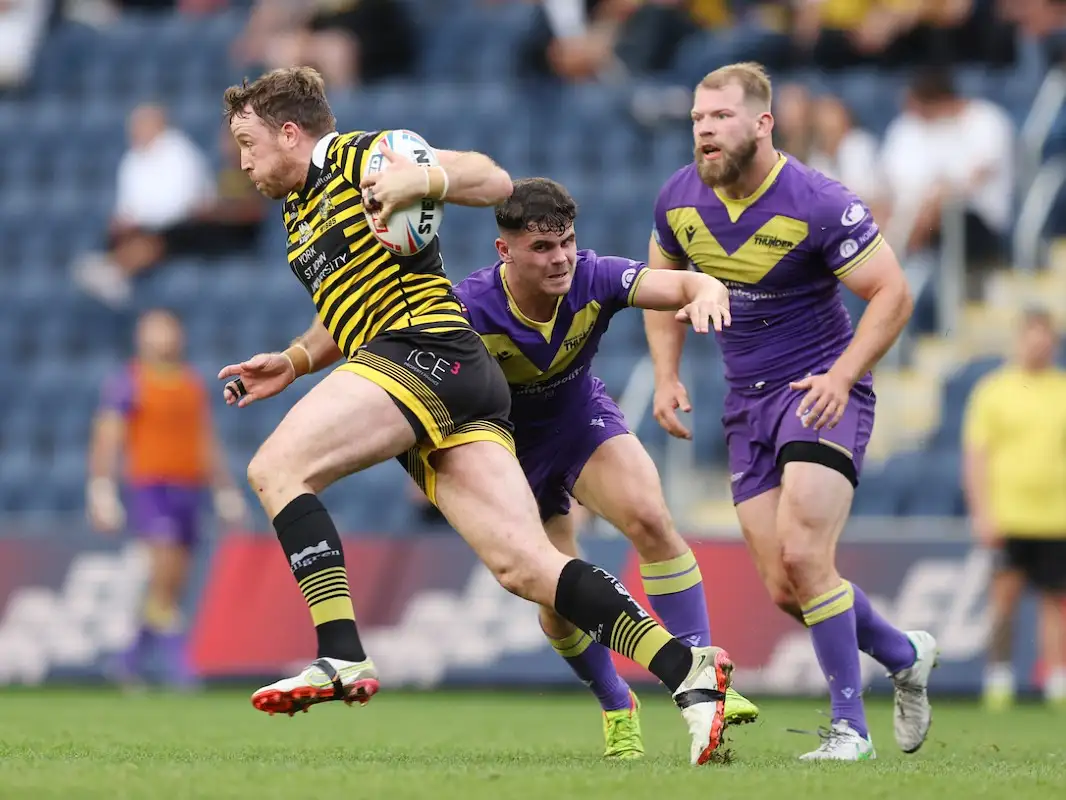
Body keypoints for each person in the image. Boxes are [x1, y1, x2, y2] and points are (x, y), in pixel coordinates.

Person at [218, 66, 734, 766]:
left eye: (248, 142)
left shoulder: (355, 155)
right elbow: (349, 305)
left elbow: (490, 179)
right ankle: (688, 671)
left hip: (421, 349)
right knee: (529, 568)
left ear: (289, 131)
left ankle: (340, 653)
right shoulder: (298, 212)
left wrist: (420, 180)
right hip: (450, 378)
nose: (243, 161)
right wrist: (296, 359)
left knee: (276, 466)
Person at [644, 62, 938, 761]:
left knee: (807, 555)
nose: (705, 130)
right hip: (745, 406)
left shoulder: (817, 200)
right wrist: (664, 375)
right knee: (786, 586)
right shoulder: (679, 200)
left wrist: (842, 375)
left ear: (762, 123)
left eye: (719, 117)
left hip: (818, 392)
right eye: (697, 119)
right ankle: (903, 653)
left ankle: (850, 729)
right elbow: (661, 288)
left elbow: (892, 294)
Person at [454, 177, 760, 760]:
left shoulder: (595, 276)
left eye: (566, 241)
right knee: (559, 603)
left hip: (579, 421)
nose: (560, 257)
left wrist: (706, 290)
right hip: (509, 453)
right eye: (542, 248)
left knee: (650, 517)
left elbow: (680, 281)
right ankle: (617, 701)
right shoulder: (468, 308)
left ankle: (701, 676)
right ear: (505, 251)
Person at [87, 309, 247, 688]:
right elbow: (108, 437)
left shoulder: (190, 384)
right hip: (151, 487)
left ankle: (128, 661)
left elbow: (204, 440)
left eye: (169, 329)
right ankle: (180, 663)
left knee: (175, 584)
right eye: (156, 330)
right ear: (141, 337)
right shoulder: (129, 382)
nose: (164, 337)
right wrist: (101, 489)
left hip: (189, 489)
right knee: (164, 575)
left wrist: (225, 491)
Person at [963, 307, 1066, 710]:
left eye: (1046, 336)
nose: (1039, 343)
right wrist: (982, 512)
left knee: (1054, 601)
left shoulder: (1061, 389)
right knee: (1003, 598)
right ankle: (999, 676)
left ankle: (1056, 679)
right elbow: (976, 457)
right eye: (1032, 334)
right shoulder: (994, 390)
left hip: (1056, 517)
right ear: (1019, 338)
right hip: (1008, 514)